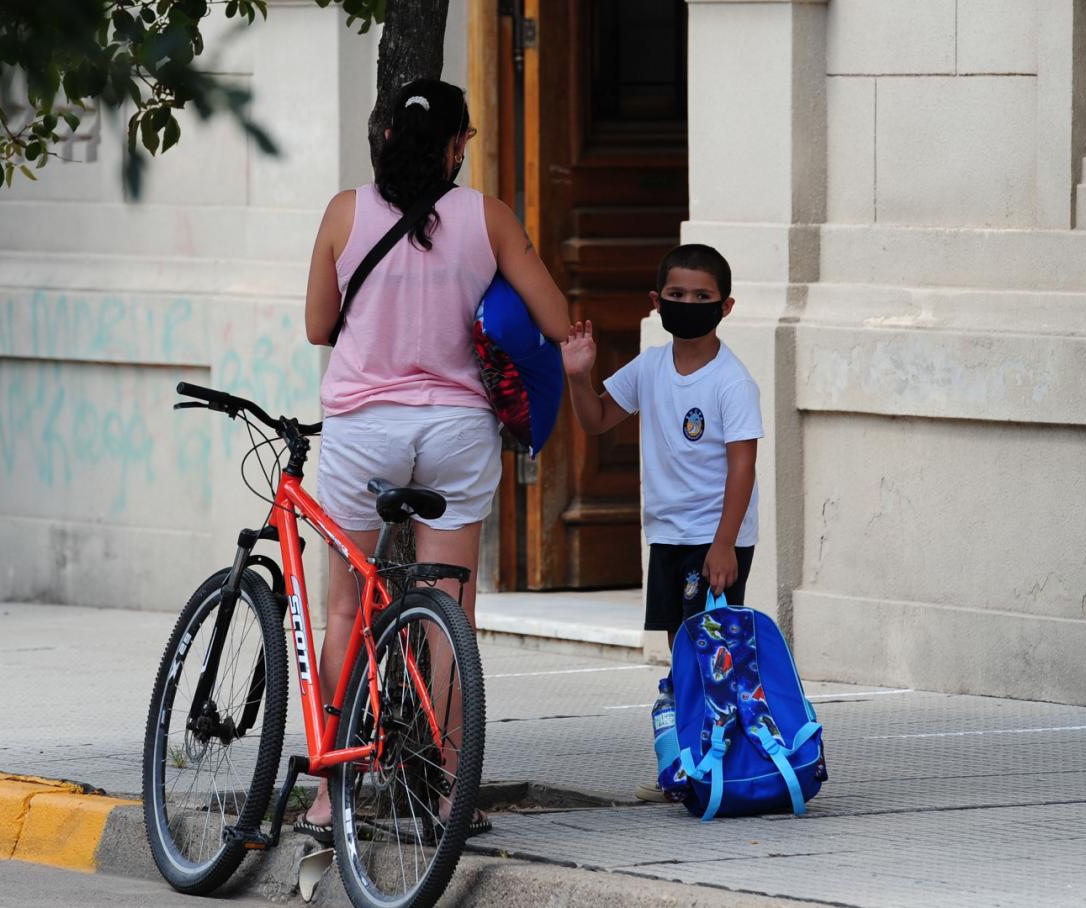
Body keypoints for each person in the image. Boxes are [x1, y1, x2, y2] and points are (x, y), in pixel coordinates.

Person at [300, 78, 569, 841]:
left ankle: (330, 795)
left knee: (346, 609)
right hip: (455, 432)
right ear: (456, 146)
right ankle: (451, 797)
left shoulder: (343, 212)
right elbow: (549, 317)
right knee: (450, 614)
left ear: (386, 137)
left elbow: (320, 326)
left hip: (361, 432)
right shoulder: (487, 218)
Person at [560, 243, 762, 799]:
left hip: (715, 539)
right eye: (676, 295)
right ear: (657, 301)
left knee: (709, 648)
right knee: (682, 648)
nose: (688, 303)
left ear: (726, 307)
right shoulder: (650, 366)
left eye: (702, 297)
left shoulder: (732, 381)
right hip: (670, 535)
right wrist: (580, 376)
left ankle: (720, 761)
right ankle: (695, 761)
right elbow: (598, 417)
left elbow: (742, 466)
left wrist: (724, 545)